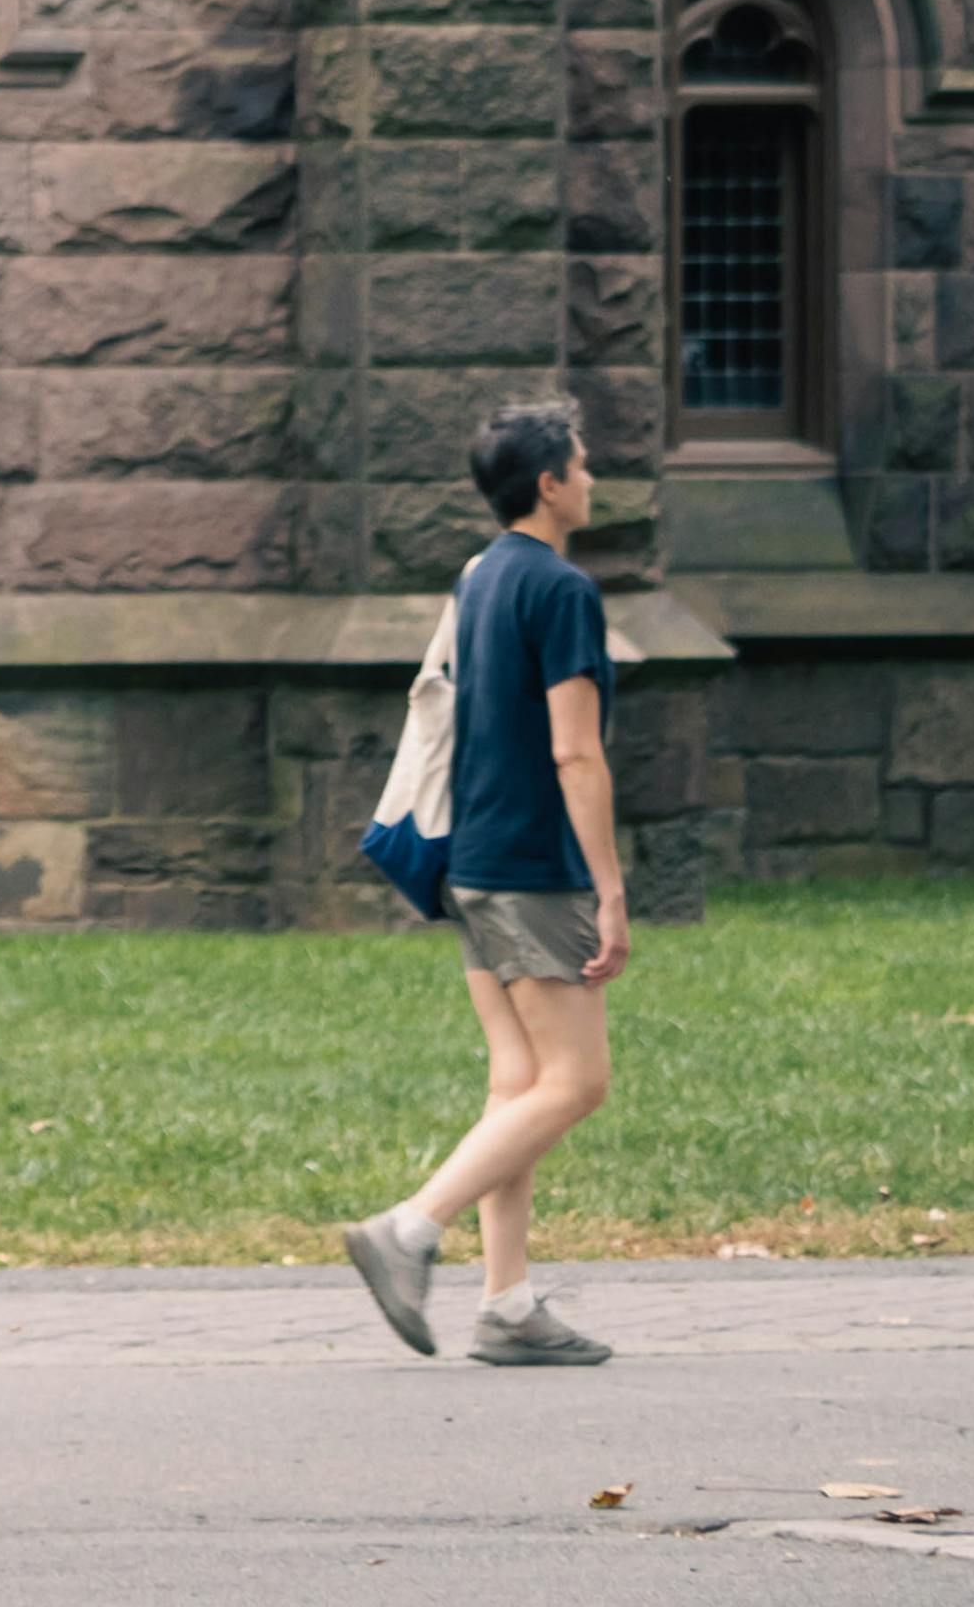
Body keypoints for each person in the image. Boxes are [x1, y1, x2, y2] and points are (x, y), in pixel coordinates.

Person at [340, 390, 631, 1372]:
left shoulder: (477, 578)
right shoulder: (562, 590)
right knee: (577, 1081)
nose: (591, 477)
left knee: (518, 1081)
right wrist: (611, 889)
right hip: (532, 870)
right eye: (581, 464)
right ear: (548, 483)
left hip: (469, 861)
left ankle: (505, 1304)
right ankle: (407, 1229)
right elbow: (574, 753)